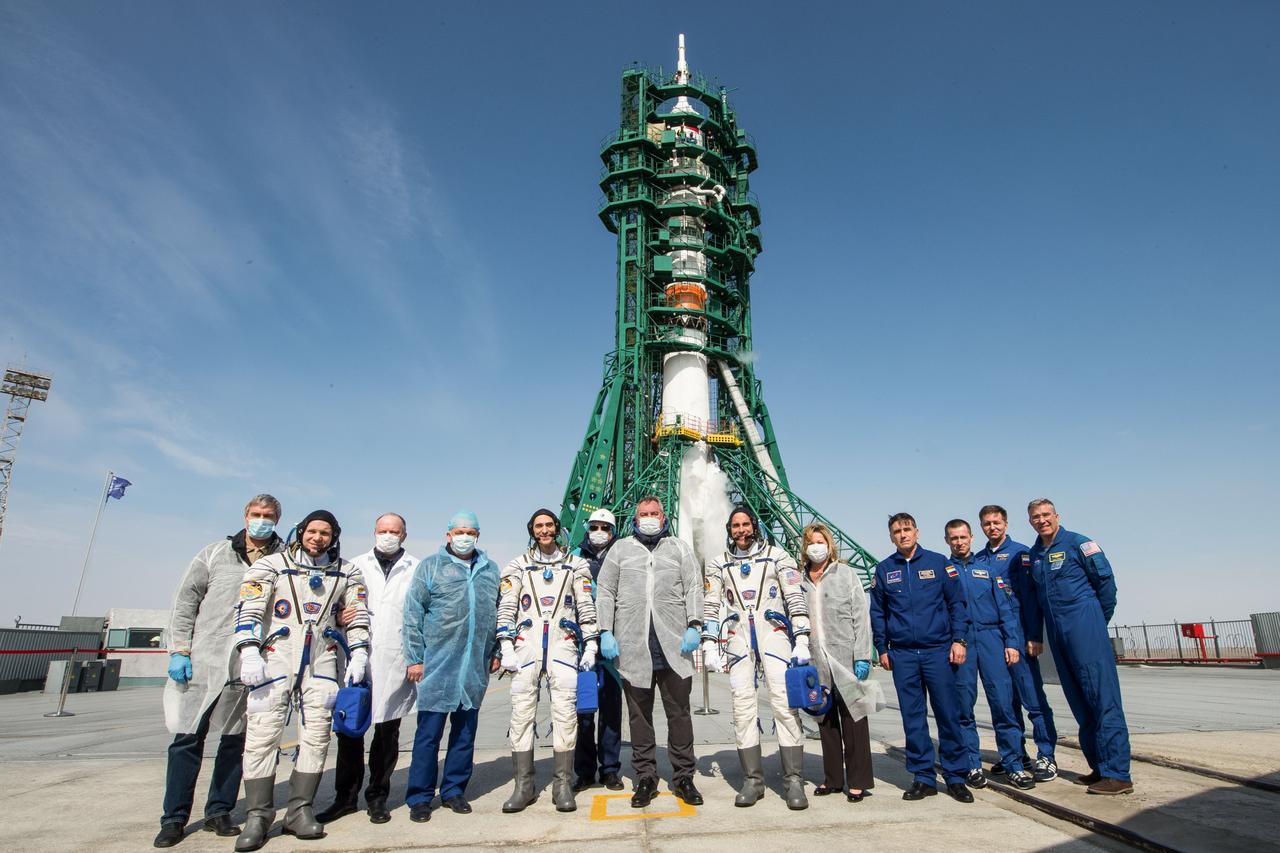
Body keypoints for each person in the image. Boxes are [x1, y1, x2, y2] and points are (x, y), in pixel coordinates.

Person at [233, 510, 370, 852]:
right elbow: (249, 608)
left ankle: (299, 809)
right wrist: (249, 651)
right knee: (263, 735)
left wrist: (360, 653)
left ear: (333, 537)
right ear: (301, 532)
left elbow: (358, 615)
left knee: (318, 736)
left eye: (325, 533)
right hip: (275, 658)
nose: (317, 538)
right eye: (312, 531)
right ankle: (258, 815)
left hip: (322, 661)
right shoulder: (271, 566)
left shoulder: (347, 572)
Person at [155, 495, 286, 849]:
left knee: (235, 741)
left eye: (269, 516)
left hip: (250, 664)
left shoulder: (284, 560)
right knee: (186, 739)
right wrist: (179, 649)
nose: (262, 520)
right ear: (245, 516)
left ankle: (219, 810)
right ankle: (175, 818)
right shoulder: (214, 554)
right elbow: (185, 602)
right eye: (257, 514)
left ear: (278, 519)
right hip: (204, 659)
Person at [595, 495, 704, 808]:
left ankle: (684, 776)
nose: (649, 518)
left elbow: (694, 586)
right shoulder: (620, 549)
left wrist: (695, 624)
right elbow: (605, 592)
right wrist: (605, 631)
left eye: (654, 513)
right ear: (635, 517)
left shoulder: (679, 548)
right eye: (644, 513)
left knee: (679, 715)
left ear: (663, 516)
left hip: (674, 646)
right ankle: (646, 777)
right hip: (632, 647)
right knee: (639, 718)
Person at [703, 505, 812, 809]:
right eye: (735, 526)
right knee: (742, 707)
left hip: (774, 636)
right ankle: (753, 780)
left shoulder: (778, 557)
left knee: (784, 704)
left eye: (745, 524)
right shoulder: (719, 564)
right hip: (738, 639)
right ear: (729, 529)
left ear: (754, 526)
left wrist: (801, 637)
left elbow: (794, 597)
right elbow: (710, 604)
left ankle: (793, 780)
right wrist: (710, 642)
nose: (741, 530)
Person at [317, 513, 419, 825]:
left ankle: (378, 795)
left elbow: (421, 615)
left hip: (394, 658)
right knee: (349, 732)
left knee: (387, 734)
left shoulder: (416, 568)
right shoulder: (353, 566)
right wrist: (339, 616)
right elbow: (329, 605)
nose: (387, 535)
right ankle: (345, 798)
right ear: (374, 532)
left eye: (394, 531)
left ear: (404, 535)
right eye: (382, 530)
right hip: (354, 656)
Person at [1025, 499, 1132, 795]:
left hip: (1085, 629)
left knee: (1103, 699)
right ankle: (1099, 767)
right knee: (1080, 702)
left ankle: (1118, 774)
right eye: (1036, 517)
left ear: (1057, 516)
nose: (1042, 520)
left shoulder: (1079, 544)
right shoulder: (1035, 555)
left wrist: (1096, 620)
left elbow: (1106, 585)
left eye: (1046, 515)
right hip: (1058, 635)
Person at [497, 508, 600, 813]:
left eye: (549, 525)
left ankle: (562, 785)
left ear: (557, 528)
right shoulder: (518, 566)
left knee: (566, 716)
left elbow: (585, 605)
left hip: (563, 648)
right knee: (521, 715)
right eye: (539, 526)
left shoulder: (575, 565)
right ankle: (523, 786)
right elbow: (507, 606)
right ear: (532, 530)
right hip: (526, 647)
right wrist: (505, 645)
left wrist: (591, 642)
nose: (544, 530)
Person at [402, 510, 501, 822]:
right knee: (428, 735)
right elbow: (412, 614)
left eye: (470, 532)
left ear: (478, 536)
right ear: (448, 535)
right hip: (437, 665)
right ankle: (419, 796)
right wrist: (415, 658)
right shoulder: (430, 567)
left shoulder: (490, 569)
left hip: (474, 666)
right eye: (459, 532)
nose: (464, 537)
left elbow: (498, 613)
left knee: (464, 733)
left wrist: (496, 649)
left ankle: (454, 790)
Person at [868, 512, 973, 803]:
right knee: (913, 719)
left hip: (938, 652)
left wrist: (959, 640)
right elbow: (878, 612)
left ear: (917, 532)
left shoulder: (940, 564)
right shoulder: (884, 569)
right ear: (891, 537)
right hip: (903, 655)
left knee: (948, 716)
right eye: (897, 531)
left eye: (907, 529)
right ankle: (923, 777)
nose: (902, 535)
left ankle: (955, 777)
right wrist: (882, 648)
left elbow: (957, 605)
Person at [944, 519, 1034, 791]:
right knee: (963, 708)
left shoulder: (987, 570)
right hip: (962, 644)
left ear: (971, 537)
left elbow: (1005, 609)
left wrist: (1011, 642)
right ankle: (971, 763)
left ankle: (1014, 764)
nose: (959, 542)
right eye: (953, 538)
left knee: (1003, 705)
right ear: (947, 541)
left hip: (992, 639)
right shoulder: (944, 571)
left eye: (963, 537)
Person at [799, 522, 883, 803]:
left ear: (829, 544)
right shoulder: (800, 579)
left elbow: (861, 616)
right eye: (811, 541)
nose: (816, 546)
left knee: (854, 719)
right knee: (825, 719)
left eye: (820, 540)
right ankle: (833, 779)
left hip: (846, 657)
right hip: (816, 659)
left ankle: (858, 781)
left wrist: (862, 655)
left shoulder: (846, 575)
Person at [976, 504, 1058, 782]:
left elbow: (1031, 600)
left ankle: (1046, 755)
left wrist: (1034, 635)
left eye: (997, 522)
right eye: (987, 524)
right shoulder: (978, 561)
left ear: (1006, 524)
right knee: (1003, 703)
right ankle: (1015, 754)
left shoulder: (1022, 555)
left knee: (1033, 700)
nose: (992, 527)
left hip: (1021, 638)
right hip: (993, 641)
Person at [572, 509, 625, 793]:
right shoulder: (575, 559)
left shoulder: (622, 557)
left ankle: (610, 770)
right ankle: (583, 771)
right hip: (583, 645)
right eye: (595, 526)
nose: (599, 531)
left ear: (613, 530)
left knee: (611, 710)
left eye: (605, 527)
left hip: (612, 645)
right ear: (588, 528)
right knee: (584, 710)